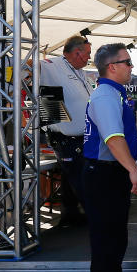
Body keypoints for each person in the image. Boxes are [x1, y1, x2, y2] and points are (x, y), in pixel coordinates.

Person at [82, 43, 137, 272]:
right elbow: (113, 139)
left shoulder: (114, 94)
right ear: (112, 67)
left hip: (105, 171)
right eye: (127, 63)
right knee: (110, 235)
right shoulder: (105, 96)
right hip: (105, 173)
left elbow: (121, 134)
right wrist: (133, 170)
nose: (131, 67)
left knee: (108, 233)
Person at [39, 35, 93, 227]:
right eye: (87, 53)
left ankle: (70, 215)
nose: (89, 57)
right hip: (64, 137)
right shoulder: (50, 66)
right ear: (77, 52)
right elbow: (20, 68)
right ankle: (95, 217)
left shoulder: (81, 72)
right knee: (81, 178)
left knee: (72, 177)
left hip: (81, 136)